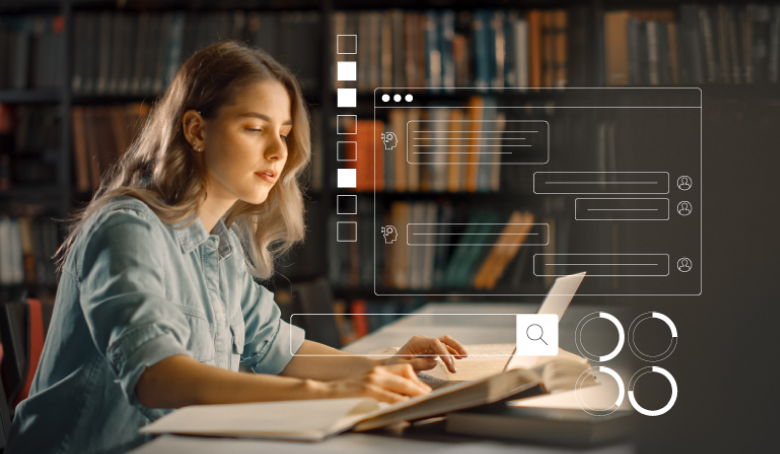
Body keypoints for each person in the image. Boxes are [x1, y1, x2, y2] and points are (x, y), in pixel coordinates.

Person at [6, 41, 467, 454]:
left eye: (284, 132)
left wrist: (384, 365)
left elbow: (276, 350)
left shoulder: (218, 243)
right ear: (196, 130)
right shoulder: (127, 228)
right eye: (254, 128)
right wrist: (331, 394)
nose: (278, 152)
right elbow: (156, 377)